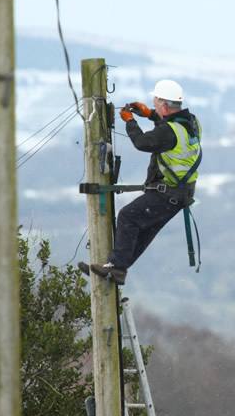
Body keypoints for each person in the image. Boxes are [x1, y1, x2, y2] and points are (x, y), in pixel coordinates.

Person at [79, 79, 202, 285]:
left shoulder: (169, 131)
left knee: (128, 216)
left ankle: (117, 267)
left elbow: (143, 142)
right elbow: (169, 128)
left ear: (164, 105)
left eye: (155, 104)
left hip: (168, 193)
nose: (154, 106)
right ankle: (116, 268)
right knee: (144, 230)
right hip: (180, 194)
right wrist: (149, 114)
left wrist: (130, 121)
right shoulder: (192, 122)